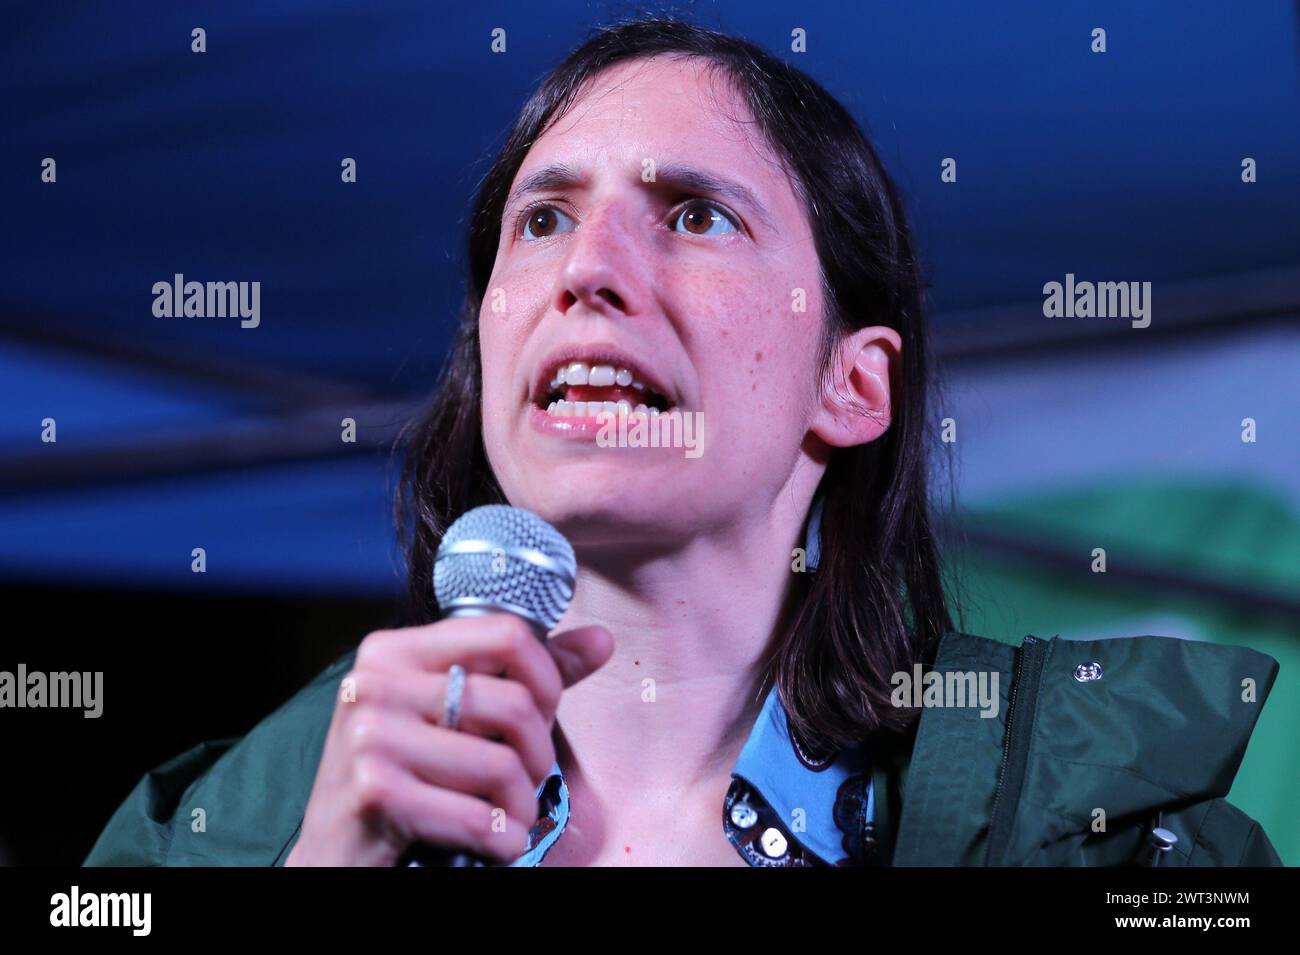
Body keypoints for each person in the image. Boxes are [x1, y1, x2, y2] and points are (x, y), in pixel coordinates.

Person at [84, 16, 1283, 868]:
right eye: (542, 219)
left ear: (852, 385)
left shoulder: (1133, 846)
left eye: (694, 214)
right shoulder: (207, 838)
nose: (587, 272)